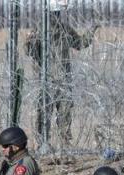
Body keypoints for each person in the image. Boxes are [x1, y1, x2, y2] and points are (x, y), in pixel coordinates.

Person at [24, 0, 95, 146]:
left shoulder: (64, 28)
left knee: (65, 113)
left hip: (63, 79)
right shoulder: (39, 29)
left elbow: (80, 43)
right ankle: (43, 144)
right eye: (54, 13)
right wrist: (30, 41)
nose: (55, 16)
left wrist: (92, 29)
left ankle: (64, 143)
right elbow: (29, 51)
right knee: (44, 113)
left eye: (57, 13)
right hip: (46, 80)